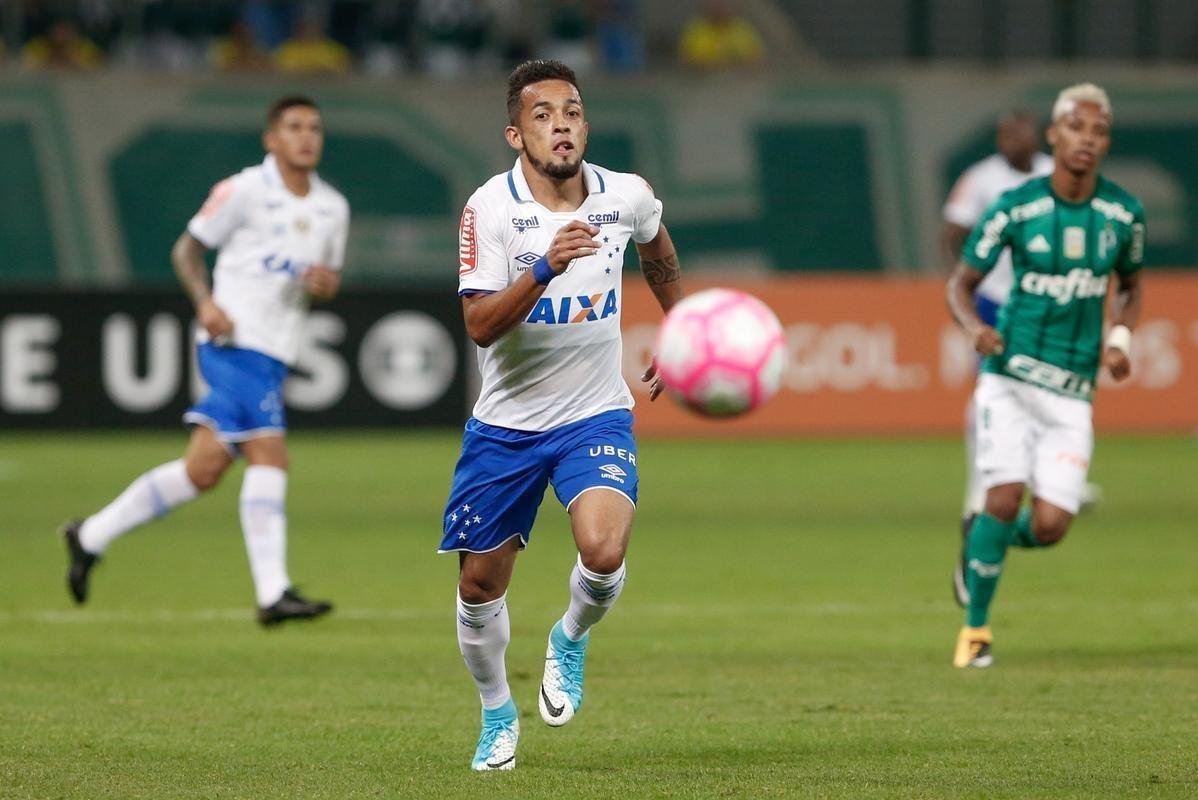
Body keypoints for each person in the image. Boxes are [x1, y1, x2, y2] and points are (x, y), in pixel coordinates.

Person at [443, 59, 681, 770]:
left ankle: (570, 638)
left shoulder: (625, 195)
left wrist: (680, 328)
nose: (561, 126)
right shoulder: (490, 208)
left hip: (595, 415)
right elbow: (480, 326)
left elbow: (659, 253)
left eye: (572, 112)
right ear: (517, 134)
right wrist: (542, 267)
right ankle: (495, 713)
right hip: (507, 425)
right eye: (543, 116)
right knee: (479, 586)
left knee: (605, 553)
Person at [63, 96, 349, 627]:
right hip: (231, 341)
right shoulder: (241, 191)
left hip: (276, 349)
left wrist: (327, 286)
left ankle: (90, 535)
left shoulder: (333, 208)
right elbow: (186, 251)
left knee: (204, 468)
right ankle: (273, 593)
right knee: (270, 454)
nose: (306, 136)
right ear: (271, 139)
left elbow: (325, 283)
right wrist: (205, 303)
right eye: (293, 127)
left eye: (314, 127)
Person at [946, 83, 1144, 668]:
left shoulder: (1123, 214)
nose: (1088, 140)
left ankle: (980, 544)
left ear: (1106, 142)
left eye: (1099, 131)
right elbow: (960, 284)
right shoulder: (1015, 206)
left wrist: (1119, 337)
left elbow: (1131, 284)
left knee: (1053, 524)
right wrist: (972, 330)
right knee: (1004, 498)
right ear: (1055, 136)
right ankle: (975, 632)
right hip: (1009, 378)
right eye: (1077, 128)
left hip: (1073, 390)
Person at [942, 111, 1053, 607]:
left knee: (1044, 397)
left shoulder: (1056, 177)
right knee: (995, 397)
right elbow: (954, 228)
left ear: (1038, 136)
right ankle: (979, 514)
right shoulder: (982, 178)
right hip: (995, 301)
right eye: (1007, 134)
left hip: (1048, 301)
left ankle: (1046, 481)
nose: (1015, 140)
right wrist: (970, 279)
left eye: (1022, 132)